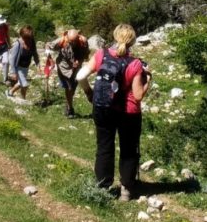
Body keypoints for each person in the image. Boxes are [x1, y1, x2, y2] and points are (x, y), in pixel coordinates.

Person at [77, 24, 151, 201]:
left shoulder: (101, 54)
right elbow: (138, 95)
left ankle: (103, 186)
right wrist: (148, 79)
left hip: (102, 107)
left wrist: (89, 93)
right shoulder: (135, 64)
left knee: (104, 147)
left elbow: (80, 76)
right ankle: (126, 190)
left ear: (115, 36)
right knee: (128, 149)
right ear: (133, 41)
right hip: (128, 112)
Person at [46, 29, 90, 118]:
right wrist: (50, 60)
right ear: (67, 38)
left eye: (74, 41)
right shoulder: (61, 40)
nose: (72, 43)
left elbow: (85, 55)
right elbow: (47, 46)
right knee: (69, 87)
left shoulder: (83, 41)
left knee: (72, 89)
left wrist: (79, 61)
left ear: (78, 37)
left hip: (76, 68)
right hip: (64, 67)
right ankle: (70, 109)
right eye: (71, 41)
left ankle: (68, 105)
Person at [5, 25, 36, 100]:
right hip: (17, 67)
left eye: (29, 38)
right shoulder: (18, 44)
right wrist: (13, 72)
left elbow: (35, 53)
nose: (27, 40)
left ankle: (10, 92)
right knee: (24, 84)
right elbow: (12, 58)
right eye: (25, 38)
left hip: (25, 67)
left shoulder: (32, 42)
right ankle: (23, 100)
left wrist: (37, 63)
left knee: (20, 83)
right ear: (22, 36)